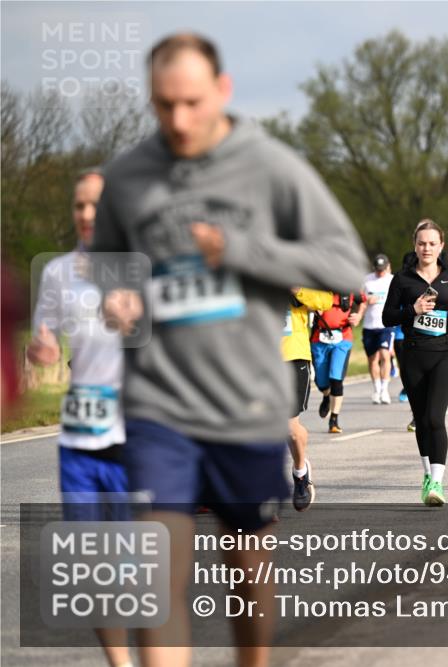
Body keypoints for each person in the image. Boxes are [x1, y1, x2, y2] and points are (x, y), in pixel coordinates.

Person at [91, 33, 367, 666]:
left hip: (245, 400)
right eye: (164, 105)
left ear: (222, 92)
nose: (178, 120)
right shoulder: (128, 177)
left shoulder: (270, 166)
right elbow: (110, 266)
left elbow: (344, 266)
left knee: (246, 563)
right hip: (159, 402)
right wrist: (119, 302)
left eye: (191, 102)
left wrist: (241, 251)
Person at [28, 169, 132, 667]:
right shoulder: (57, 272)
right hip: (81, 432)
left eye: (96, 206)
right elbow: (45, 337)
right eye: (78, 206)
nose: (86, 215)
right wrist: (41, 350)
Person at [382, 220, 448, 506]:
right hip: (412, 354)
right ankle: (427, 476)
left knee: (435, 418)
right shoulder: (402, 279)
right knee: (421, 419)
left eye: (432, 243)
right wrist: (413, 309)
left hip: (444, 354)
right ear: (415, 245)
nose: (427, 248)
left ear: (441, 246)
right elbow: (387, 317)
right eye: (422, 243)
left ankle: (437, 481)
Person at [283, 287, 333, 510]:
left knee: (289, 428)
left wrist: (297, 290)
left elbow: (325, 300)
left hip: (293, 356)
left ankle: (301, 472)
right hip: (256, 355)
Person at [313, 291, 363, 433]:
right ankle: (326, 395)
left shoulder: (349, 287)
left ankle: (334, 420)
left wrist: (358, 315)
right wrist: (313, 307)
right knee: (321, 382)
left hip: (343, 338)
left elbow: (363, 301)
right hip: (319, 338)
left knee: (336, 379)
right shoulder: (317, 287)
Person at [359, 254, 395, 404]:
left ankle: (385, 390)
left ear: (387, 267)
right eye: (378, 269)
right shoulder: (367, 280)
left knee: (385, 356)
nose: (380, 272)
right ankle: (376, 389)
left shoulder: (392, 279)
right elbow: (358, 298)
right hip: (369, 325)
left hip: (386, 325)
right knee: (372, 359)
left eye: (383, 269)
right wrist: (366, 300)